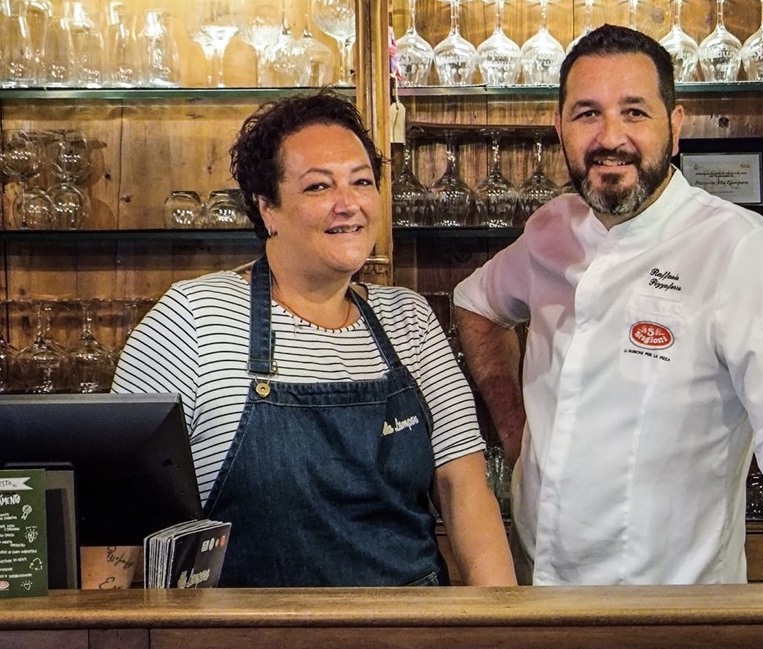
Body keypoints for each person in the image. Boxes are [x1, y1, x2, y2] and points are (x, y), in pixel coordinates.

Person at [452, 24, 763, 649]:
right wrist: (518, 439)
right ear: (558, 127)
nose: (609, 137)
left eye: (634, 112)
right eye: (587, 113)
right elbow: (475, 304)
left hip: (682, 635)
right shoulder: (550, 230)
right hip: (540, 617)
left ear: (675, 126)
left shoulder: (736, 246)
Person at [113, 88, 515, 589]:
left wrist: (500, 624)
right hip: (250, 634)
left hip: (409, 632)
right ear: (267, 208)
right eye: (318, 186)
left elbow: (465, 491)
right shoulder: (195, 318)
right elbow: (116, 515)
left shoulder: (408, 319)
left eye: (361, 182)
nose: (348, 205)